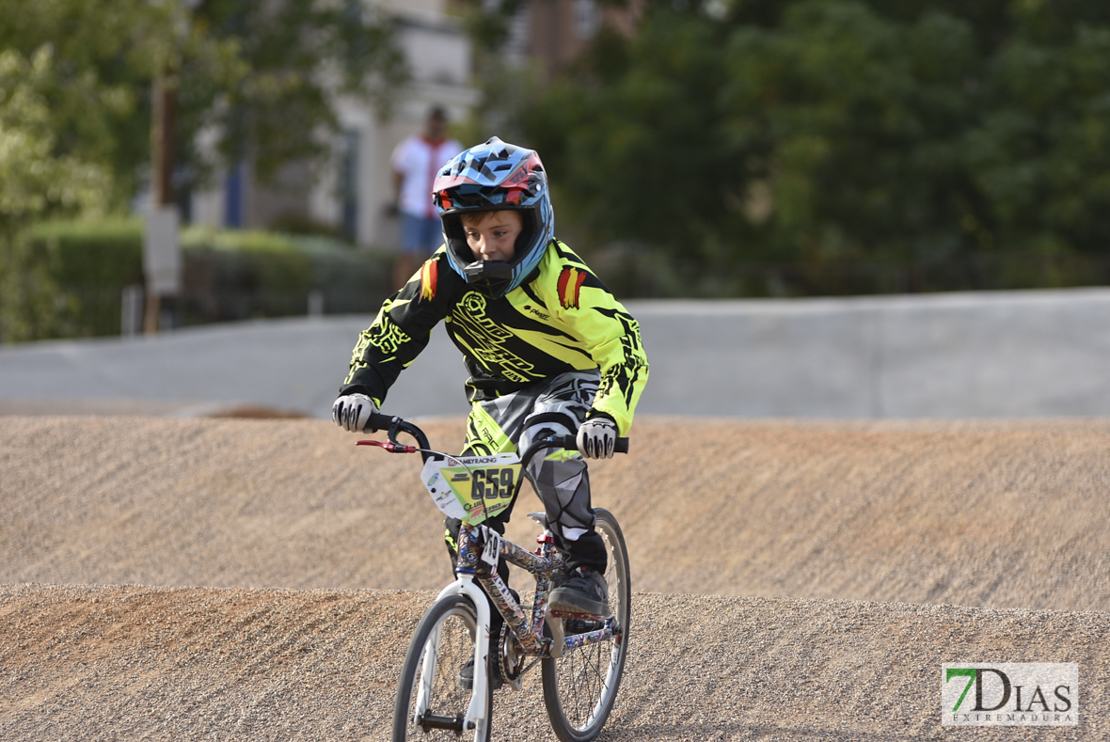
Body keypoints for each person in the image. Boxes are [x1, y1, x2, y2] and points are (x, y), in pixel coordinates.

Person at [333, 137, 649, 683]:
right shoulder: (443, 274)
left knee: (545, 442)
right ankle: (492, 634)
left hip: (568, 385)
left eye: (499, 232)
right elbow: (393, 329)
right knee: (465, 525)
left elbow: (622, 343)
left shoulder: (560, 275)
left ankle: (583, 562)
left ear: (532, 220)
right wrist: (362, 389)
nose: (485, 247)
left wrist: (605, 416)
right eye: (471, 233)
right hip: (492, 403)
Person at [389, 105, 464, 290]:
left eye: (440, 121)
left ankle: (424, 296)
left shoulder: (453, 148)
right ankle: (398, 296)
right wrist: (399, 199)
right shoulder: (410, 146)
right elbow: (398, 173)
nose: (436, 125)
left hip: (441, 209)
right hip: (414, 206)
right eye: (434, 120)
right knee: (407, 252)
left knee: (433, 257)